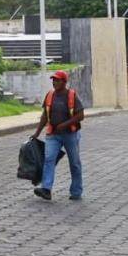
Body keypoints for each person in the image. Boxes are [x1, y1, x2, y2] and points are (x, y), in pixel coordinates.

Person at [32, 70, 85, 201]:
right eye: (53, 80)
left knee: (74, 163)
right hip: (53, 134)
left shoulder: (72, 95)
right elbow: (45, 116)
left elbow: (80, 115)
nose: (54, 82)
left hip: (70, 135)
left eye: (57, 80)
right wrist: (37, 133)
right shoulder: (50, 95)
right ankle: (46, 189)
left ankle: (76, 191)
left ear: (64, 82)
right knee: (49, 159)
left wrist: (65, 124)